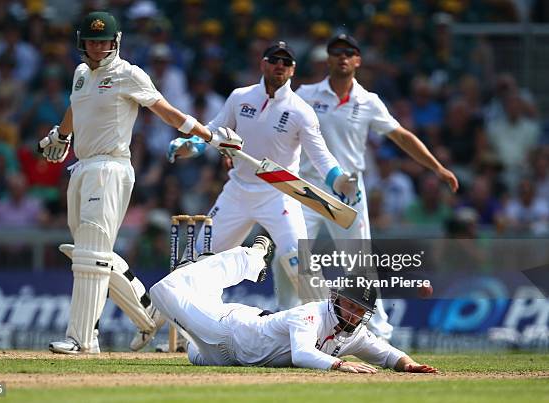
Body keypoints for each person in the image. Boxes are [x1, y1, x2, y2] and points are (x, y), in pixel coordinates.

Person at [43, 11, 243, 354]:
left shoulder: (128, 74)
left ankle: (83, 339)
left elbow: (167, 111)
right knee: (92, 253)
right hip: (81, 166)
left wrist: (207, 135)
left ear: (115, 42)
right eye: (91, 41)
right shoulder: (79, 74)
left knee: (90, 252)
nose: (97, 47)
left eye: (103, 41)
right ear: (82, 43)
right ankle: (149, 313)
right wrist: (61, 135)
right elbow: (76, 106)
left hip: (110, 167)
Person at [167, 41, 358, 312]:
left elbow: (320, 157)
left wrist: (339, 180)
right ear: (263, 64)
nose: (280, 65)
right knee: (197, 259)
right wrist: (190, 146)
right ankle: (161, 325)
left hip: (280, 193)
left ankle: (327, 330)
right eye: (274, 59)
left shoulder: (301, 111)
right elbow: (213, 132)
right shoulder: (239, 97)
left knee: (297, 261)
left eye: (286, 62)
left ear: (293, 70)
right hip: (238, 192)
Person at [296, 34, 459, 341]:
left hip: (347, 193)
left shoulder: (368, 101)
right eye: (336, 52)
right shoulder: (305, 93)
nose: (342, 57)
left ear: (358, 60)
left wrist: (436, 167)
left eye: (349, 53)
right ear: (327, 59)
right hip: (308, 189)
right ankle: (296, 324)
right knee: (292, 256)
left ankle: (379, 333)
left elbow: (402, 137)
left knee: (358, 265)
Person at [150, 235, 437, 373]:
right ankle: (252, 255)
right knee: (164, 290)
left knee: (193, 354)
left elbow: (386, 354)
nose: (355, 314)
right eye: (351, 306)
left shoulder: (356, 334)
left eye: (361, 311)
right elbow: (301, 355)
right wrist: (339, 365)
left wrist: (409, 365)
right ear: (336, 299)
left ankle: (199, 277)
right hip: (230, 330)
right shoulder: (311, 314)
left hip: (227, 358)